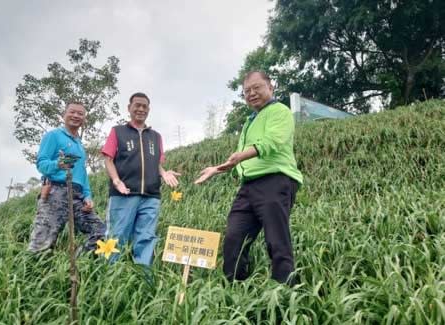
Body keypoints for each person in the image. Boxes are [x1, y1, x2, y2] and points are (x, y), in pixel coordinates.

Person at [195, 71, 303, 284]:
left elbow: (272, 142)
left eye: (257, 88)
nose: (252, 93)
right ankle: (236, 289)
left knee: (276, 240)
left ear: (270, 88)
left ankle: (287, 293)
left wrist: (241, 156)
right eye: (247, 91)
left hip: (275, 180)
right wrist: (216, 169)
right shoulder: (249, 121)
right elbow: (239, 160)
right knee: (235, 237)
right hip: (249, 186)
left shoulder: (279, 111)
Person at [101, 92, 180, 266]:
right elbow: (108, 159)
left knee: (146, 238)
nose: (141, 109)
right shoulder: (118, 132)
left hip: (151, 197)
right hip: (124, 194)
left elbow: (156, 163)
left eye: (145, 106)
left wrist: (164, 173)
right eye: (137, 105)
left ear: (149, 110)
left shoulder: (156, 137)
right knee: (116, 237)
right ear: (129, 108)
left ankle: (143, 280)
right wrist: (116, 180)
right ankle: (109, 278)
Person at [28, 102, 106, 253]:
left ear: (84, 119)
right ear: (64, 115)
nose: (76, 116)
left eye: (80, 114)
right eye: (72, 112)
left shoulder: (80, 145)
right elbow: (41, 164)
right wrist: (59, 164)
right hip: (55, 192)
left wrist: (88, 196)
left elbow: (82, 174)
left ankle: (77, 267)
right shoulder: (53, 136)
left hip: (78, 196)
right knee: (43, 241)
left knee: (100, 232)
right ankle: (35, 273)